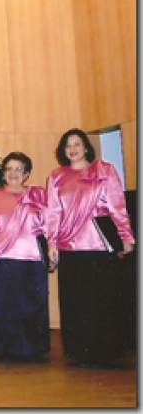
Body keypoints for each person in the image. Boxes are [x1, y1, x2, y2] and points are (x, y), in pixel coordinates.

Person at [45, 128, 134, 368]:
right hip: (70, 247)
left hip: (99, 245)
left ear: (86, 147)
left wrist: (126, 235)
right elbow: (53, 213)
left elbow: (117, 205)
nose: (73, 149)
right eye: (68, 145)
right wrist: (52, 243)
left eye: (77, 144)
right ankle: (79, 351)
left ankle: (104, 350)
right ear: (63, 151)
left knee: (101, 301)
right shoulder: (56, 176)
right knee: (76, 302)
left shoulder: (104, 170)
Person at [0, 152, 50, 361]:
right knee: (4, 305)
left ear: (27, 173)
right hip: (2, 257)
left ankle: (32, 348)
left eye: (19, 169)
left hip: (32, 257)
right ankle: (7, 348)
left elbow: (49, 225)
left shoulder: (38, 195)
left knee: (32, 304)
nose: (13, 173)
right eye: (9, 168)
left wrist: (52, 249)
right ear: (3, 172)